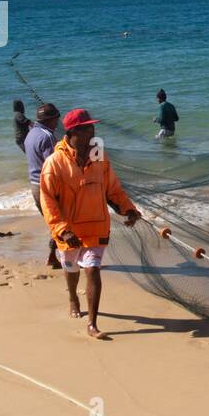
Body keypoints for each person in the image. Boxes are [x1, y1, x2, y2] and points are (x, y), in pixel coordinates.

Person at [40, 108, 141, 339]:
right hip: (69, 231)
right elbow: (47, 201)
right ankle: (73, 297)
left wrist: (129, 209)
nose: (92, 132)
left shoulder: (100, 157)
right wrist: (62, 230)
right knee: (72, 268)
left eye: (93, 128)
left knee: (93, 269)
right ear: (73, 132)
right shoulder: (54, 163)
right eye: (87, 129)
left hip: (96, 225)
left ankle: (92, 323)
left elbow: (113, 189)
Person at [24, 102, 61, 269]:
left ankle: (53, 256)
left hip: (34, 185)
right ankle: (57, 257)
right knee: (61, 221)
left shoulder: (31, 134)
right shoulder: (47, 136)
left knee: (53, 222)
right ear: (51, 119)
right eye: (56, 119)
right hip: (47, 187)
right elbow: (53, 165)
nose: (58, 122)